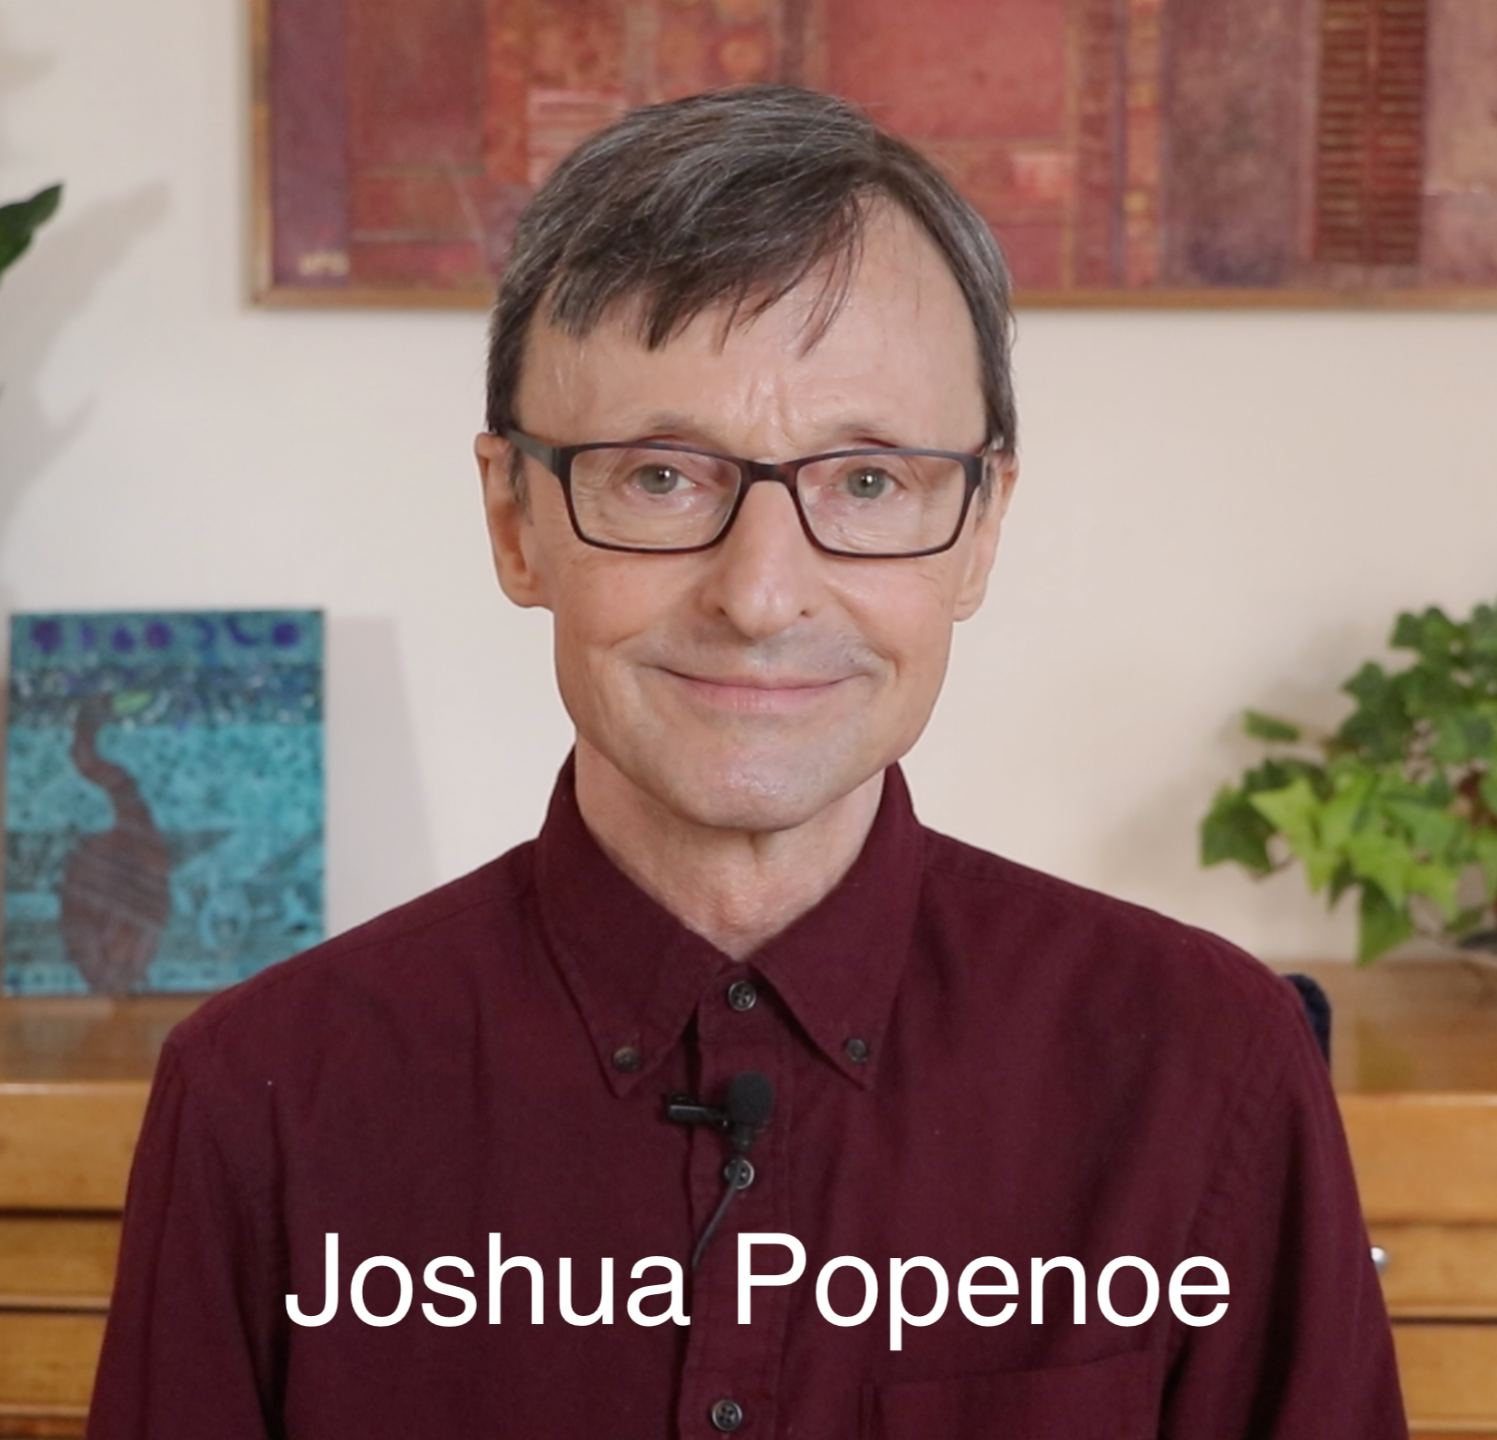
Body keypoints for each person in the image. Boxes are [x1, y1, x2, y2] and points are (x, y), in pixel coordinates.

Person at [88, 85, 1406, 1439]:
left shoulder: (1206, 1067)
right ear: (515, 520)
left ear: (979, 532)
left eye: (869, 481)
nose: (762, 595)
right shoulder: (262, 1101)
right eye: (661, 476)